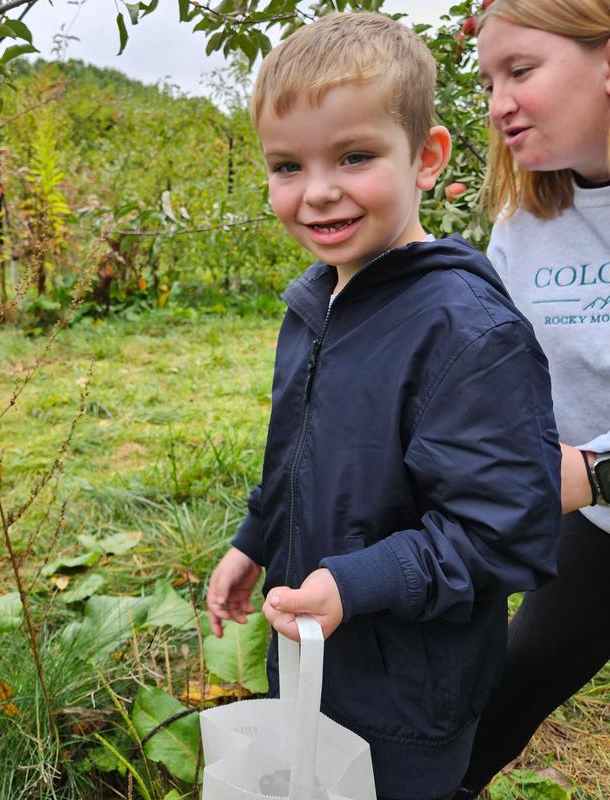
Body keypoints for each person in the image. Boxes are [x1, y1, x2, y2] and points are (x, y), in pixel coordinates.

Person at [205, 11, 562, 800]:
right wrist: (253, 539)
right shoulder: (316, 305)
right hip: (313, 657)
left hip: (409, 695)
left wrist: (354, 585)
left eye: (355, 156)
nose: (318, 192)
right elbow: (296, 454)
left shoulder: (468, 333)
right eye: (287, 166)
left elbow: (505, 533)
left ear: (427, 158)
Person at [453, 0, 610, 795]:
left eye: (520, 71)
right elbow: (494, 373)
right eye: (488, 80)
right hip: (599, 528)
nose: (497, 102)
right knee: (511, 683)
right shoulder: (526, 221)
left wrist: (593, 471)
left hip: (595, 492)